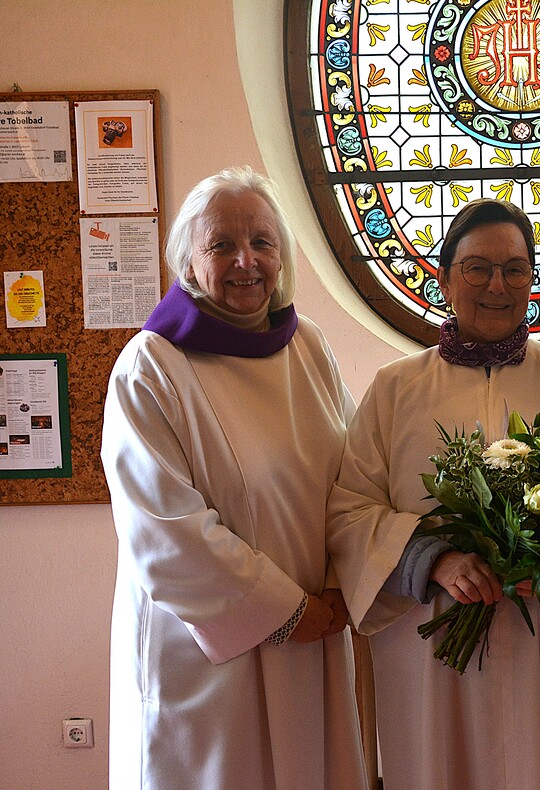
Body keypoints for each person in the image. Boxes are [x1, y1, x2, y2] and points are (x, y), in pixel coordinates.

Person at [328, 198, 540, 790]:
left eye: (514, 269)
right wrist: (434, 561)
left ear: (533, 278)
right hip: (433, 643)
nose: (496, 285)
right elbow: (351, 511)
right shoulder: (395, 388)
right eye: (477, 268)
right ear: (445, 277)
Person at [101, 167, 367, 789]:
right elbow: (165, 531)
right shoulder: (152, 367)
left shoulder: (308, 348)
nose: (246, 261)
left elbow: (356, 475)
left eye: (262, 242)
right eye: (222, 244)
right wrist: (286, 611)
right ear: (189, 263)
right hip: (211, 654)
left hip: (318, 626)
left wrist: (340, 585)